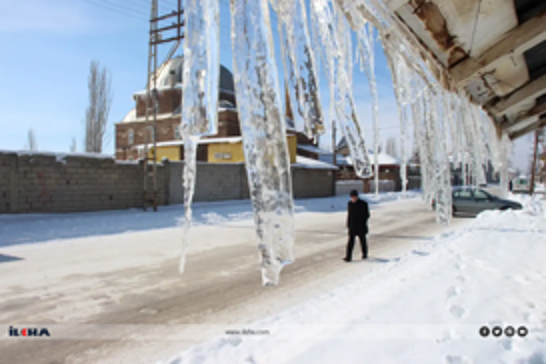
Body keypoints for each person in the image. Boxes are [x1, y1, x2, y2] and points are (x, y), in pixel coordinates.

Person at [344, 190, 370, 262]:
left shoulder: (363, 204)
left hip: (361, 226)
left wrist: (362, 222)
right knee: (350, 242)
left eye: (354, 197)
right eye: (352, 197)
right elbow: (349, 215)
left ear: (357, 196)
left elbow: (367, 215)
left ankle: (364, 254)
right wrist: (348, 224)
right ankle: (348, 257)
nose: (353, 198)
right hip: (352, 227)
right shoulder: (350, 204)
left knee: (362, 241)